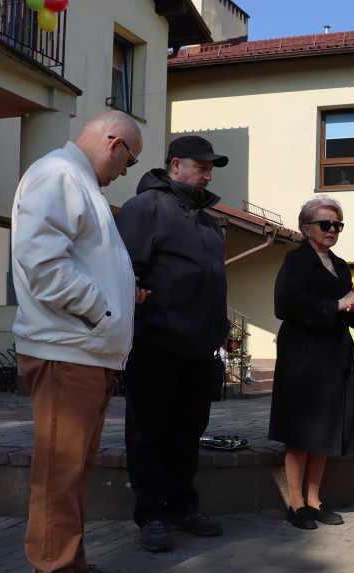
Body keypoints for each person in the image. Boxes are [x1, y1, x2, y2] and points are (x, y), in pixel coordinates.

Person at [11, 111, 145, 573]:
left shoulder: (76, 180)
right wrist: (102, 309)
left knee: (76, 469)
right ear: (114, 144)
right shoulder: (59, 175)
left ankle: (71, 564)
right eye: (130, 159)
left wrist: (114, 301)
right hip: (66, 349)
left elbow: (77, 259)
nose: (127, 171)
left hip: (83, 350)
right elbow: (41, 260)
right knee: (59, 471)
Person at [116, 136, 230, 552]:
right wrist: (148, 319)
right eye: (201, 165)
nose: (208, 172)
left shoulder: (205, 219)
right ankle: (150, 515)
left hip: (199, 348)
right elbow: (124, 275)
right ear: (175, 164)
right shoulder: (144, 208)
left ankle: (183, 506)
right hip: (156, 345)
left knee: (188, 432)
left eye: (211, 167)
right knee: (149, 433)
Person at [268, 196, 354, 530]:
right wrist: (336, 305)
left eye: (337, 225)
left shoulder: (339, 265)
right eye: (325, 224)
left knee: (326, 430)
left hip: (335, 358)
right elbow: (286, 305)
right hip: (303, 357)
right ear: (305, 228)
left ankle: (315, 500)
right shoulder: (295, 260)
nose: (332, 230)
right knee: (300, 432)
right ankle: (295, 504)